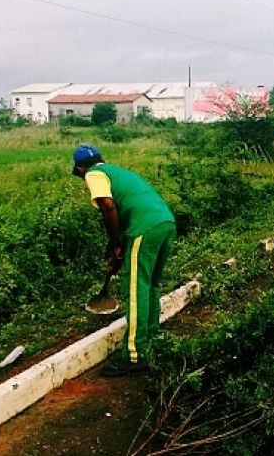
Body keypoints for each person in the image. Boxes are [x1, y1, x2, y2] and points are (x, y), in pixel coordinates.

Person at [72, 144, 176, 376]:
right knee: (150, 285)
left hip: (144, 227)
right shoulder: (118, 172)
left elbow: (108, 207)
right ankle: (150, 339)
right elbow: (128, 205)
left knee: (136, 289)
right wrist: (119, 252)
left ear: (80, 168)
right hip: (165, 223)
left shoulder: (93, 174)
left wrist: (115, 243)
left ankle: (134, 354)